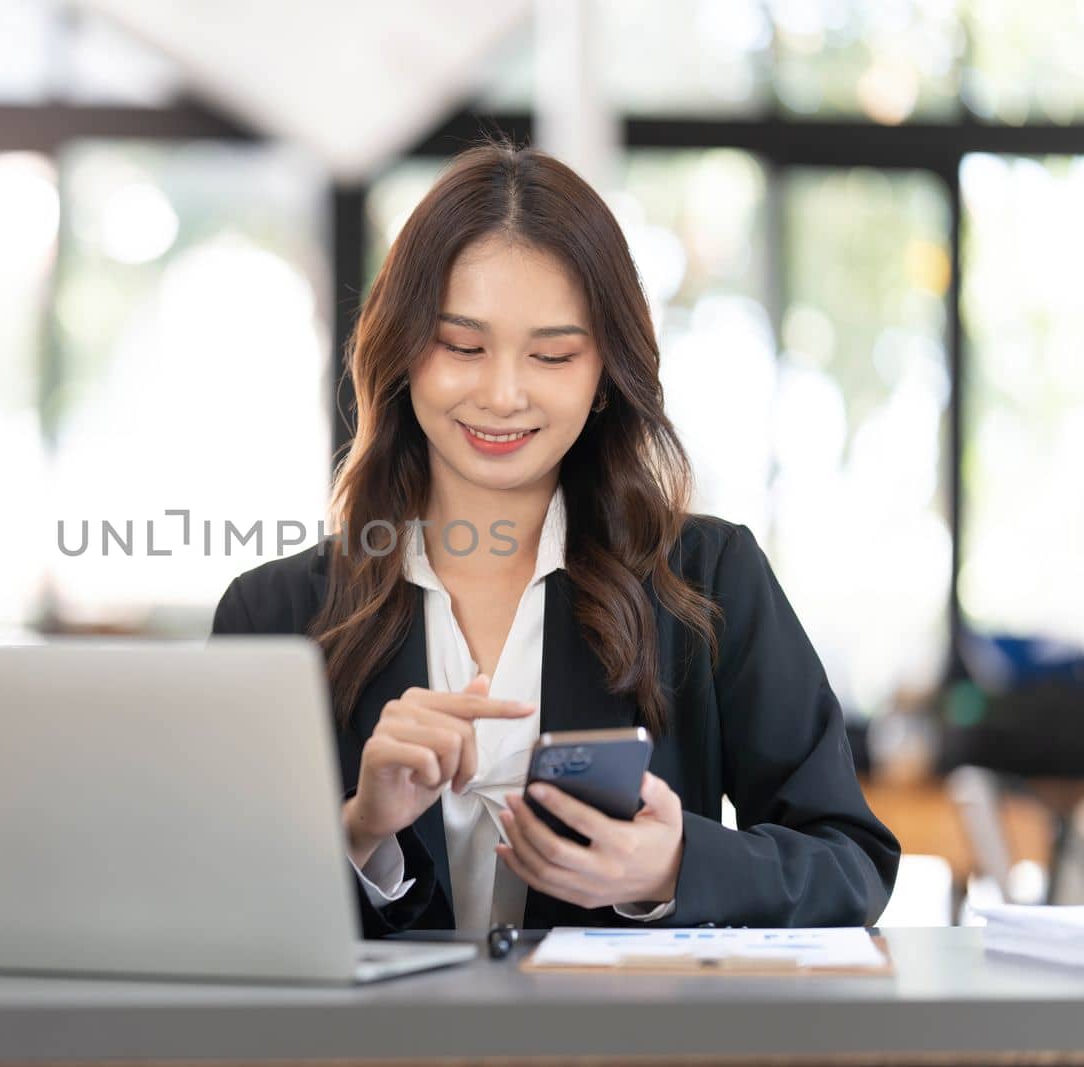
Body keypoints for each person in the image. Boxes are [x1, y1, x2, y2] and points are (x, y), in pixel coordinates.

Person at [209, 137, 899, 936]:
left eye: (553, 353)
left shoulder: (707, 581)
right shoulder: (275, 613)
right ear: (401, 353)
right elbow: (222, 909)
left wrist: (675, 867)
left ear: (606, 372)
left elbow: (851, 860)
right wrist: (362, 830)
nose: (503, 393)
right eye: (462, 346)